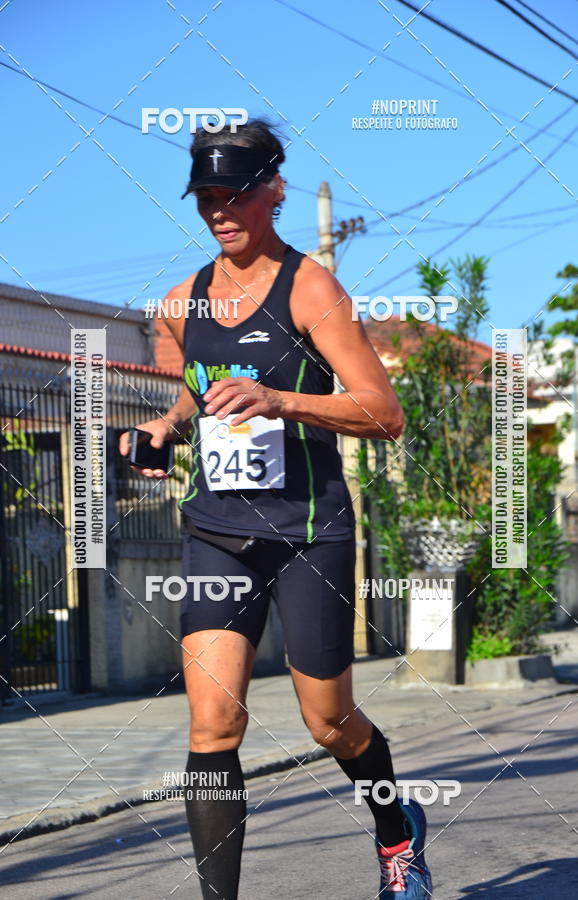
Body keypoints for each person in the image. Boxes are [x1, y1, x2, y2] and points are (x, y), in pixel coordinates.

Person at [119, 118, 432, 899]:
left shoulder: (312, 289)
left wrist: (281, 399)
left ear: (274, 192)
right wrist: (163, 428)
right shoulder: (180, 301)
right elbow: (195, 398)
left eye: (235, 194)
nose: (220, 210)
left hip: (307, 533)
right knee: (211, 727)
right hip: (217, 532)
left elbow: (382, 411)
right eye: (206, 198)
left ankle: (397, 833)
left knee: (329, 722)